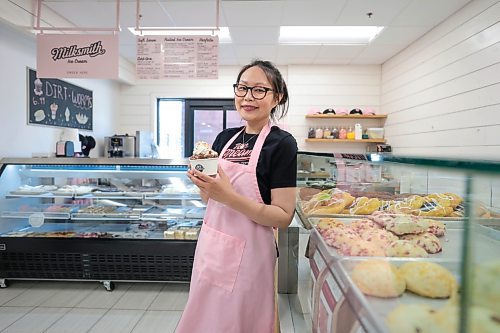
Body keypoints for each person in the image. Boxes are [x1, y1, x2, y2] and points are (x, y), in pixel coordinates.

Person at [176, 59, 297, 333]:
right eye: (242, 88)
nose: (247, 97)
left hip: (251, 258)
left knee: (240, 323)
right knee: (205, 320)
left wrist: (228, 196)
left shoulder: (282, 144)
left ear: (276, 97)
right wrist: (203, 185)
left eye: (259, 90)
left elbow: (283, 216)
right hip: (213, 246)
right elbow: (210, 201)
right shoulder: (223, 138)